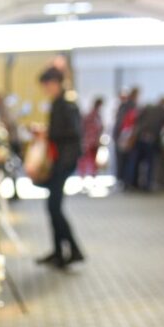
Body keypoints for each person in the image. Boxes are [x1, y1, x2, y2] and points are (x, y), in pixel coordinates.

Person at [37, 66, 85, 268]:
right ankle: (60, 251)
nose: (45, 89)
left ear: (55, 83)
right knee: (53, 207)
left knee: (54, 207)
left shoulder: (66, 105)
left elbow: (73, 133)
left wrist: (48, 134)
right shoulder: (59, 103)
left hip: (64, 162)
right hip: (61, 161)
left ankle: (73, 250)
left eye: (46, 85)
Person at [131, 95, 164, 190]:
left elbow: (137, 119)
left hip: (140, 137)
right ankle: (147, 185)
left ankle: (133, 183)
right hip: (151, 139)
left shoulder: (148, 107)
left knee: (136, 162)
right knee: (150, 163)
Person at [113, 87, 140, 186]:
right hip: (126, 137)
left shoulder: (124, 106)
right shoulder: (131, 107)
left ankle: (123, 180)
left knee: (123, 160)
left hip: (122, 136)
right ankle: (126, 181)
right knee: (127, 160)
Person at [78, 95, 105, 177]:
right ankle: (84, 174)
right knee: (86, 158)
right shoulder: (91, 115)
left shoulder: (97, 115)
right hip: (89, 140)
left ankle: (91, 174)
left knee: (92, 158)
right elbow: (84, 126)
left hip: (93, 140)